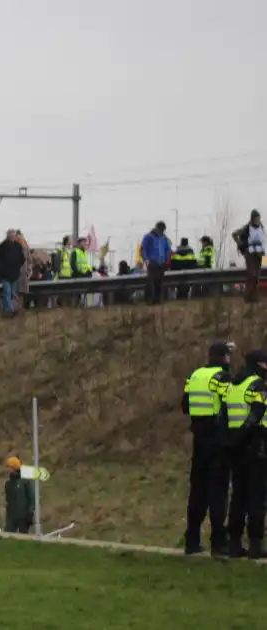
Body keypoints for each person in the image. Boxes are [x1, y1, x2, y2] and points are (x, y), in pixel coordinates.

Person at [181, 341, 233, 555]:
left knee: (197, 491)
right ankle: (219, 541)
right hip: (218, 440)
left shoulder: (194, 376)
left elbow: (185, 405)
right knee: (218, 492)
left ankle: (192, 539)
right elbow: (231, 403)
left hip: (198, 440)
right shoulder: (222, 377)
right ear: (224, 358)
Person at [222, 349, 267, 558]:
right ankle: (256, 545)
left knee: (239, 496)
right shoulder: (257, 384)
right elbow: (256, 413)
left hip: (235, 446)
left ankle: (234, 543)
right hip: (254, 444)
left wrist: (233, 440)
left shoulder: (233, 384)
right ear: (261, 365)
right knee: (257, 496)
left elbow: (225, 413)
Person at [231, 209, 265, 303]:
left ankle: (255, 298)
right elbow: (234, 234)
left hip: (260, 254)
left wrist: (264, 256)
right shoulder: (247, 228)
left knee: (257, 277)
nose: (258, 219)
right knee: (251, 276)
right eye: (257, 218)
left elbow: (263, 242)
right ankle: (248, 298)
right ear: (253, 218)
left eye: (259, 218)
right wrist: (241, 244)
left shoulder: (261, 227)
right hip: (250, 254)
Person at [141, 221, 172, 304]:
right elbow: (144, 249)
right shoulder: (149, 237)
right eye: (161, 230)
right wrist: (146, 259)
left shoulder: (164, 238)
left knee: (159, 282)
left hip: (161, 263)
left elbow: (168, 250)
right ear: (156, 228)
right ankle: (149, 300)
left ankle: (157, 300)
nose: (162, 232)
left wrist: (166, 260)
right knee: (151, 282)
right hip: (152, 263)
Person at [3, 457, 35, 533]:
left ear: (15, 467)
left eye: (9, 467)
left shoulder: (25, 481)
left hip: (23, 516)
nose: (7, 469)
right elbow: (8, 500)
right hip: (11, 516)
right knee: (8, 535)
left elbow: (31, 497)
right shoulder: (8, 484)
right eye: (7, 467)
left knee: (23, 535)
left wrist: (30, 512)